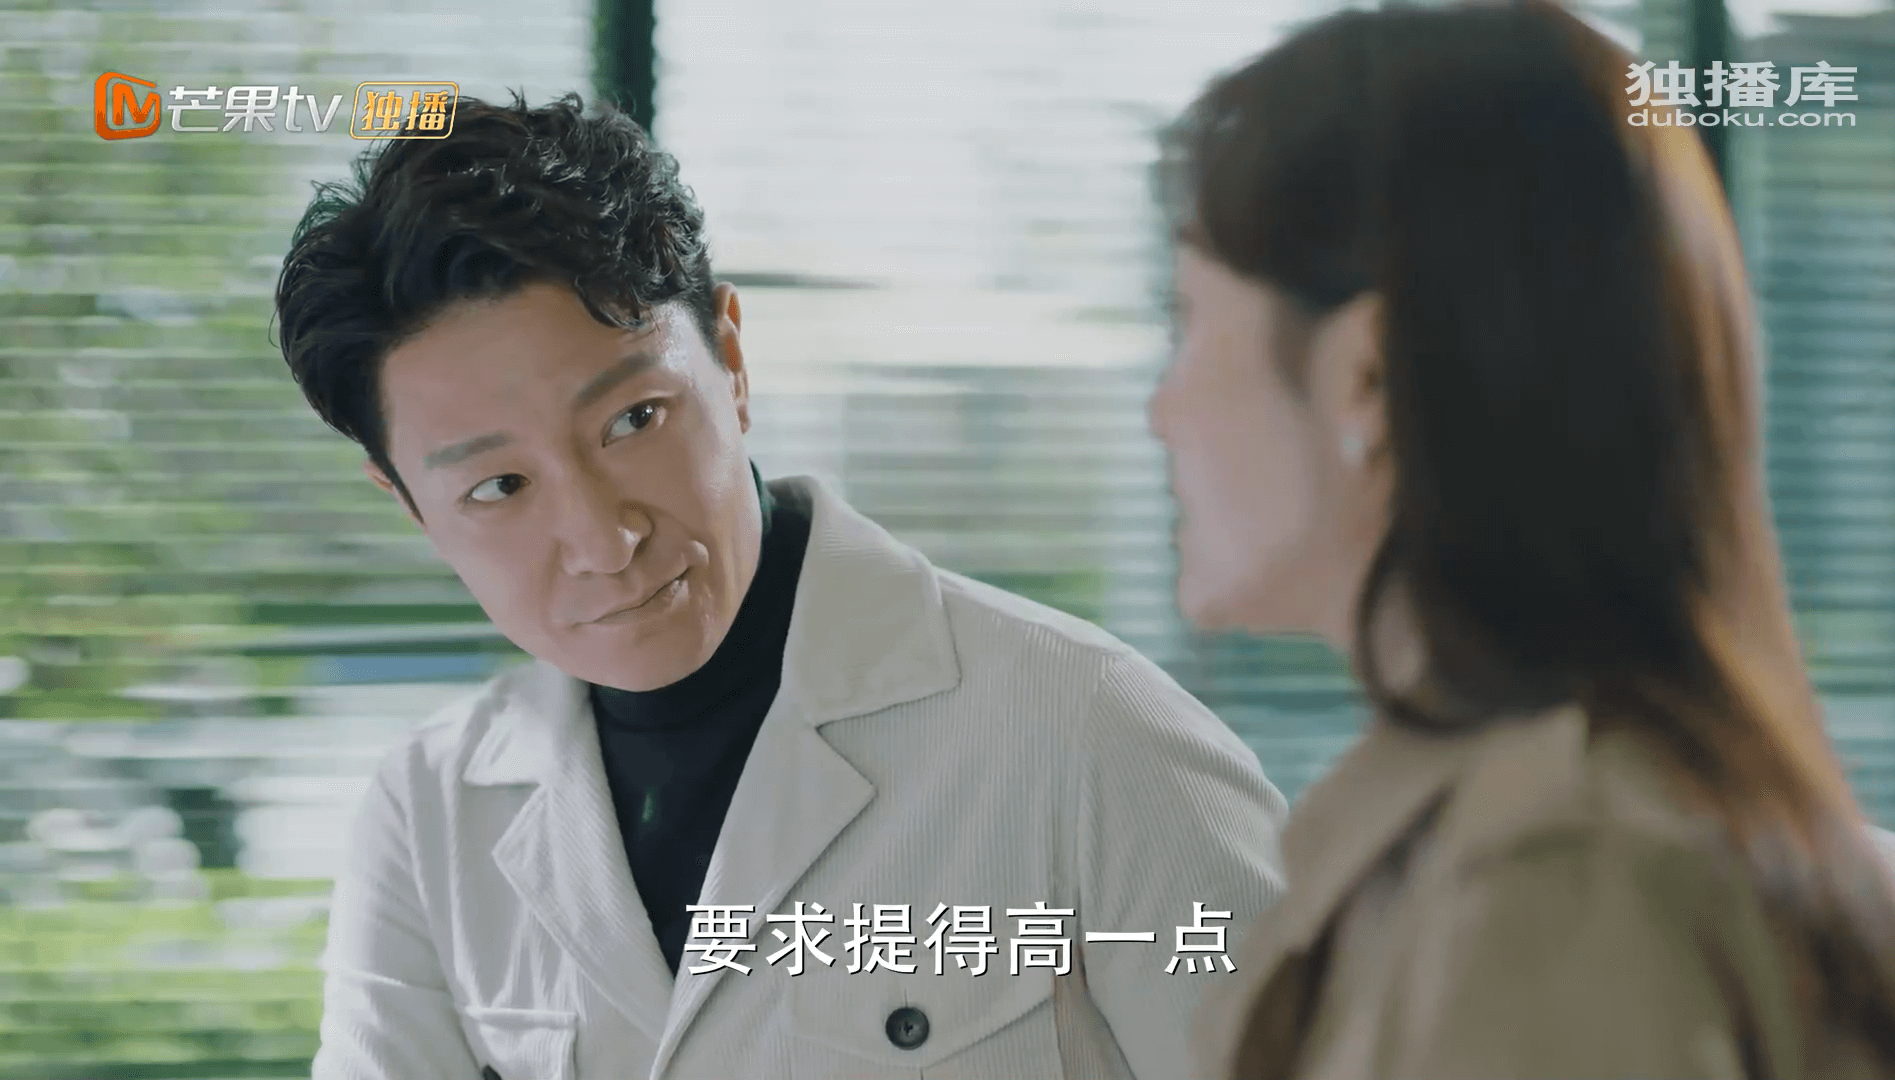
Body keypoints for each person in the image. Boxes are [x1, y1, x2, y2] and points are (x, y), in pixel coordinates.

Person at [275, 91, 1287, 1080]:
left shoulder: (1088, 734)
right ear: (410, 503)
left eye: (634, 421)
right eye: (499, 487)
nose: (603, 542)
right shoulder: (429, 816)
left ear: (731, 358)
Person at [1145, 1, 1895, 1076]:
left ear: (1367, 377)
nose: (1163, 410)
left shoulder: (1549, 884)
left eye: (1193, 320)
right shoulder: (1525, 827)